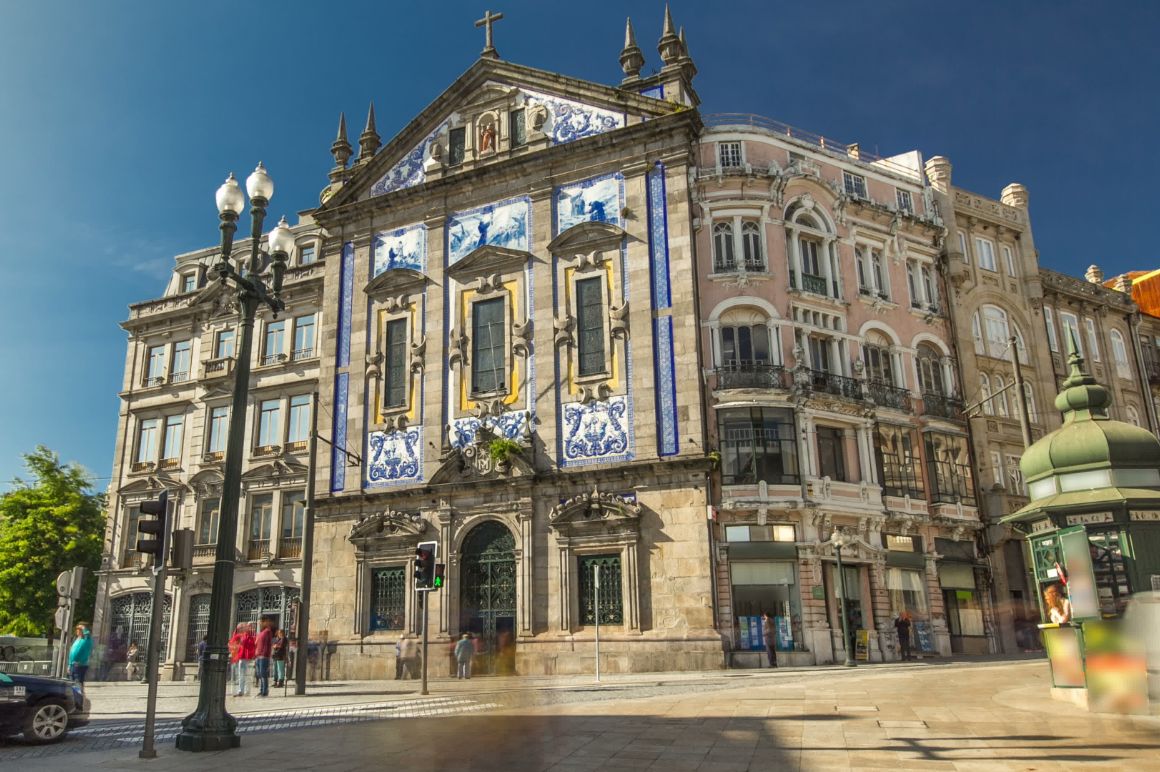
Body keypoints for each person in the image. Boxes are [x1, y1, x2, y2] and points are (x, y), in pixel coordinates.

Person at [229, 623, 256, 697]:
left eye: (242, 627)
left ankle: (245, 691)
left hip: (245, 658)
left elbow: (252, 646)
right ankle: (242, 691)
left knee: (245, 675)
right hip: (240, 657)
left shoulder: (248, 636)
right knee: (241, 675)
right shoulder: (240, 635)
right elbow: (232, 642)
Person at [68, 624, 93, 690]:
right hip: (73, 665)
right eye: (77, 629)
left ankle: (78, 697)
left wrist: (83, 627)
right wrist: (69, 665)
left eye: (79, 630)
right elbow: (72, 653)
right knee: (73, 683)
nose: (77, 631)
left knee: (77, 683)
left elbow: (87, 634)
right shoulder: (77, 640)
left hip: (80, 665)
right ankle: (76, 697)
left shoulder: (87, 640)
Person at [254, 617, 273, 697]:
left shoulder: (267, 631)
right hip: (258, 656)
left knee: (263, 674)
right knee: (259, 674)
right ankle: (261, 690)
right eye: (259, 622)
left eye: (261, 622)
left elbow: (268, 645)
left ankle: (265, 691)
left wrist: (267, 655)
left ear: (266, 622)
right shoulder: (261, 632)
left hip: (264, 656)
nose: (260, 624)